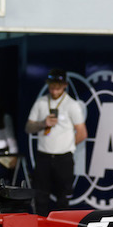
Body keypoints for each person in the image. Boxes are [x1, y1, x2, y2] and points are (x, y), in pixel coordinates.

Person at [25, 68, 87, 213]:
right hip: (43, 157)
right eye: (52, 87)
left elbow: (82, 133)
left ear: (65, 86)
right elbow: (28, 127)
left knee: (63, 200)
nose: (54, 91)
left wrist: (67, 145)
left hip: (63, 158)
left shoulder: (72, 105)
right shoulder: (41, 102)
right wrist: (42, 124)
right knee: (40, 197)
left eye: (57, 87)